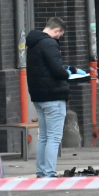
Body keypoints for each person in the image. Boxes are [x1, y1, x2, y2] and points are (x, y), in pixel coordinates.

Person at [26, 17, 70, 178]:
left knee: (43, 136)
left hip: (38, 96)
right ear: (57, 30)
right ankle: (50, 173)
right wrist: (69, 74)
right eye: (60, 35)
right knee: (54, 137)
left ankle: (41, 171)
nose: (59, 38)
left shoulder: (33, 43)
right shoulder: (49, 43)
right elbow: (57, 70)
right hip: (53, 95)